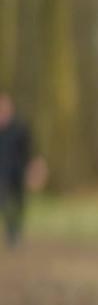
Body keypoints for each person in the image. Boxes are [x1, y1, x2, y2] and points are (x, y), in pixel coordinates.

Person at [0, 94, 47, 248]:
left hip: (18, 172)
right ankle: (10, 232)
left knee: (20, 204)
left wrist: (35, 167)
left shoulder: (20, 127)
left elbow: (30, 150)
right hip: (2, 174)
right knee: (4, 201)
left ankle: (17, 232)